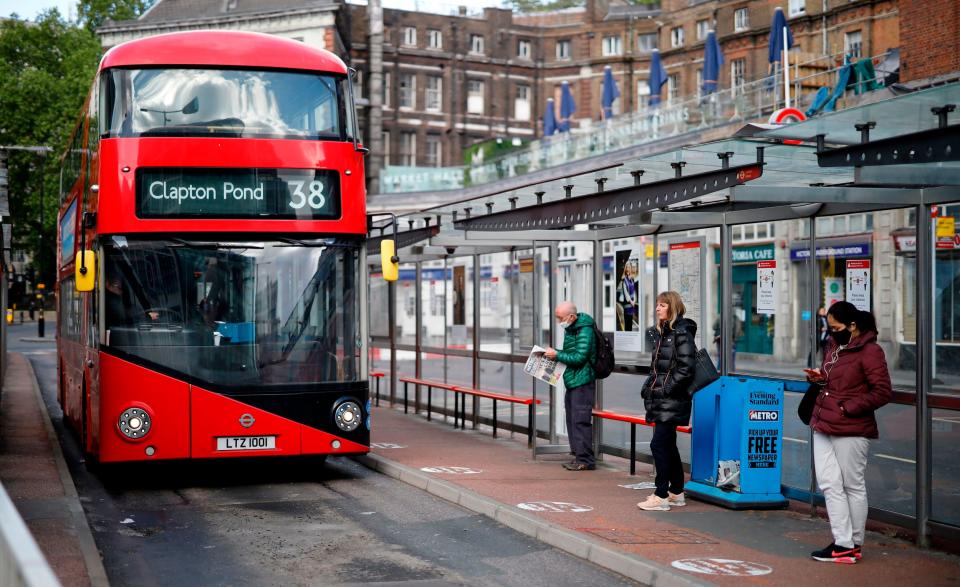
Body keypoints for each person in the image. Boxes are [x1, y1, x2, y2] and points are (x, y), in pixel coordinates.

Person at [803, 301, 892, 564]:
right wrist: (819, 379)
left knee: (852, 486)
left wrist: (847, 408)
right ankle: (842, 543)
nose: (831, 333)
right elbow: (837, 380)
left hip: (850, 425)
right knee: (830, 484)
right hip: (822, 421)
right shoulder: (834, 346)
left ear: (852, 325)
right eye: (828, 328)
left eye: (836, 328)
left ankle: (853, 543)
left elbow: (882, 391)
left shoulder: (870, 351)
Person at [638, 291, 696, 511]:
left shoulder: (682, 333)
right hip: (662, 398)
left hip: (672, 399)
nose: (657, 308)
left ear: (672, 307)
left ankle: (661, 495)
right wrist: (648, 387)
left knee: (659, 444)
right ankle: (677, 492)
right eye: (657, 305)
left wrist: (666, 389)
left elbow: (686, 368)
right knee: (668, 444)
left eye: (662, 305)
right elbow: (658, 369)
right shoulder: (663, 334)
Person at [543, 301, 597, 471]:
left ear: (572, 317)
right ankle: (578, 456)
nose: (559, 322)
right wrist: (556, 353)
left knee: (580, 420)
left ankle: (585, 460)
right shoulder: (572, 328)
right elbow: (572, 353)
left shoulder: (585, 330)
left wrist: (557, 354)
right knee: (573, 419)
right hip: (573, 380)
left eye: (561, 318)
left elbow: (580, 358)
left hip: (582, 381)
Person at [617, 263, 638, 331]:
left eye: (629, 267)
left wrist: (634, 299)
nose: (628, 269)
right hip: (627, 304)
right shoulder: (624, 280)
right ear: (625, 269)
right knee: (627, 323)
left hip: (632, 304)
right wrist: (631, 301)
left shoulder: (632, 280)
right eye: (627, 267)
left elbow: (634, 291)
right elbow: (626, 293)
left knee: (630, 324)